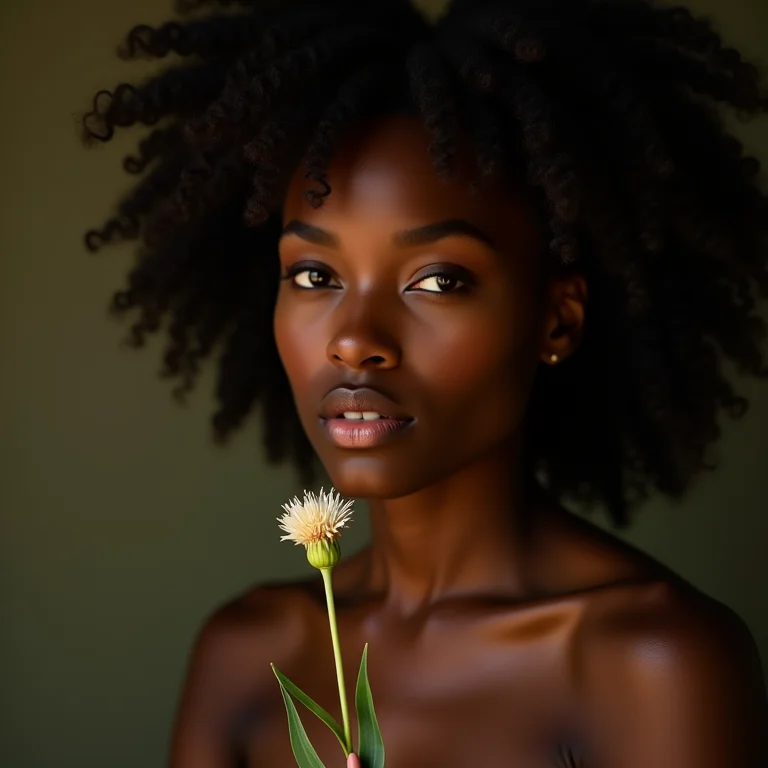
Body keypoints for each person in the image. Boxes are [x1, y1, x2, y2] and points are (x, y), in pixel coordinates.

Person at [79, 0, 768, 765]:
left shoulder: (652, 662)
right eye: (314, 273)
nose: (354, 340)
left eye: (437, 281)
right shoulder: (246, 655)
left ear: (557, 321)